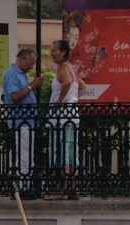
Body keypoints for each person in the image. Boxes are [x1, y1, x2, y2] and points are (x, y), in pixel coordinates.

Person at [46, 40, 86, 200]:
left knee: (60, 151)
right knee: (70, 152)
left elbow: (68, 83)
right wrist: (73, 100)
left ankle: (63, 189)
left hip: (61, 117)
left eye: (54, 51)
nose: (52, 54)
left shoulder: (63, 68)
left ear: (63, 52)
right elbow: (82, 87)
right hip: (71, 115)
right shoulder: (72, 68)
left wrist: (59, 102)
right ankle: (72, 188)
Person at [2, 48, 43, 196]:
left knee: (28, 154)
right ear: (22, 59)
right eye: (31, 63)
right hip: (20, 123)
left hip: (28, 123)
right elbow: (14, 96)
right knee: (23, 155)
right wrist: (33, 85)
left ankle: (27, 184)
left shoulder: (21, 75)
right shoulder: (11, 74)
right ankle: (22, 187)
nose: (32, 66)